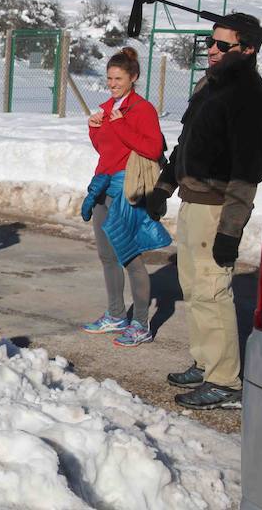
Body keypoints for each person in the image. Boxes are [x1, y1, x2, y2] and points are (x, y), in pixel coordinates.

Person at [147, 13, 262, 410]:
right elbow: (186, 142)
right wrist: (165, 186)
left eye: (222, 45)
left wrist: (230, 231)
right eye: (209, 43)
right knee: (194, 287)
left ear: (248, 49)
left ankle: (225, 381)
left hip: (217, 209)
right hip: (193, 201)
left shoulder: (249, 96)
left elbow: (248, 172)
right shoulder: (211, 85)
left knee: (212, 290)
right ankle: (204, 361)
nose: (212, 50)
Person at [80, 47, 171, 347]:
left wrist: (119, 124)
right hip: (103, 188)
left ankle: (141, 323)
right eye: (109, 78)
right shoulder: (108, 107)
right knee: (107, 257)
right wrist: (95, 130)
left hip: (127, 191)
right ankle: (116, 314)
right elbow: (108, 151)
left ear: (133, 77)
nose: (112, 83)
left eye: (118, 78)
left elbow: (153, 148)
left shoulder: (142, 109)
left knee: (130, 258)